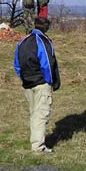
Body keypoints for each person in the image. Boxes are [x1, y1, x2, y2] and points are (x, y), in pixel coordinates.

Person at [14, 17, 61, 154]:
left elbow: (17, 64)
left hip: (27, 83)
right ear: (46, 28)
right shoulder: (44, 42)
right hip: (41, 83)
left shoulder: (22, 41)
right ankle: (38, 147)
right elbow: (47, 64)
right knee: (41, 114)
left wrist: (23, 77)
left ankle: (35, 141)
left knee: (34, 113)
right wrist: (50, 81)